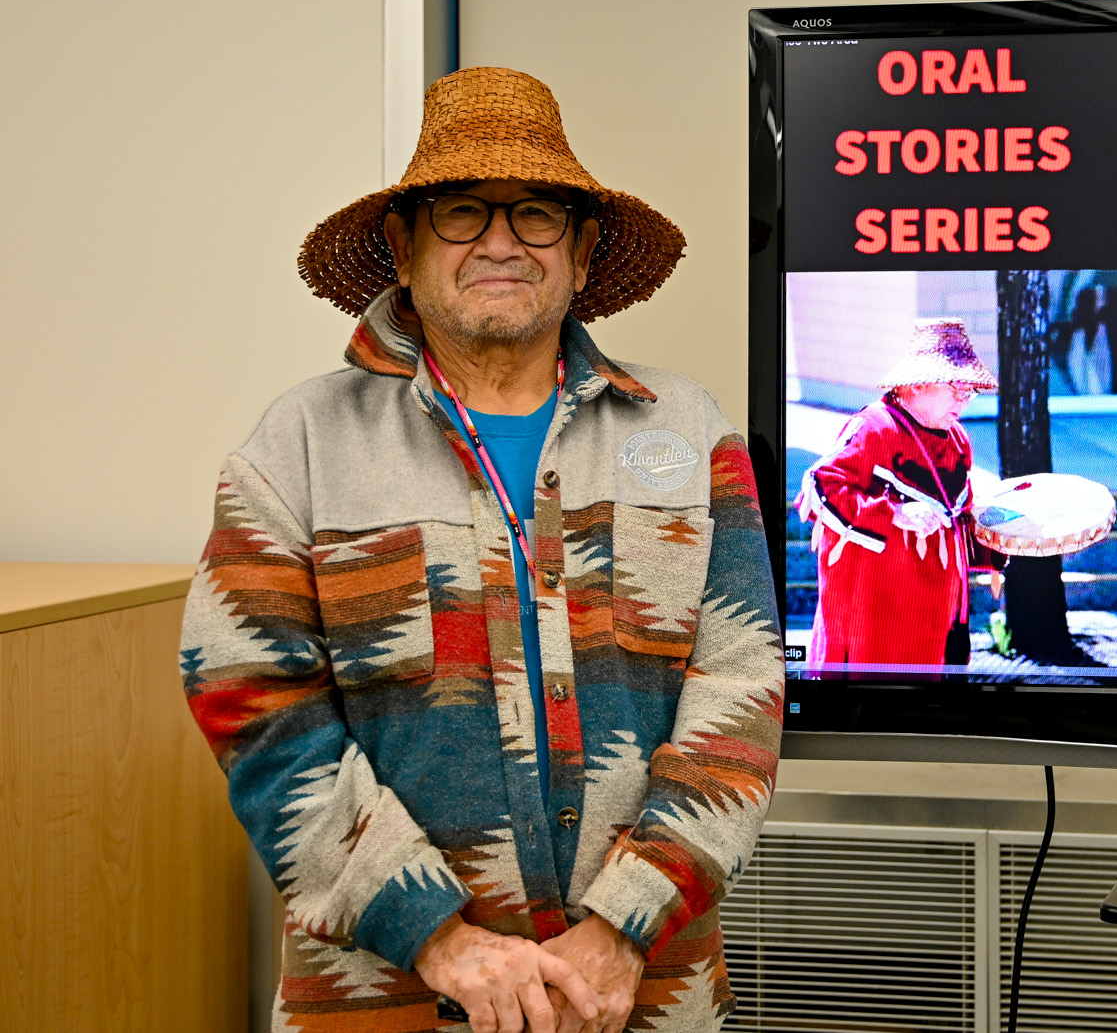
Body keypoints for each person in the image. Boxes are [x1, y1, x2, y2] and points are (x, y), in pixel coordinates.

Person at [180, 67, 783, 1033]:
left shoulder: (688, 427)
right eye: (462, 211)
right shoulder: (297, 446)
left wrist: (623, 925)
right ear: (404, 246)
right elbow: (254, 707)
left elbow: (741, 683)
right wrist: (438, 935)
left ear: (583, 252)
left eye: (537, 213)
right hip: (383, 995)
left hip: (640, 991)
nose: (501, 240)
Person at [798, 319, 1005, 667]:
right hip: (876, 623)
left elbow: (958, 523)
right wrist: (894, 514)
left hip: (939, 624)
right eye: (956, 387)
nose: (964, 400)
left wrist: (1001, 541)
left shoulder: (957, 441)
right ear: (918, 384)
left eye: (969, 391)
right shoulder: (874, 428)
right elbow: (820, 486)